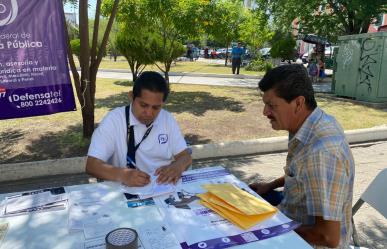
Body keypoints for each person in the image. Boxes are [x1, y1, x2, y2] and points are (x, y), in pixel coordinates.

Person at [249, 64, 354, 248]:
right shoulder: (311, 123)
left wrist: (270, 229)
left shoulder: (322, 153)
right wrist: (270, 185)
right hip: (290, 211)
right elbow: (302, 172)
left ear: (298, 103)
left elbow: (328, 237)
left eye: (272, 105)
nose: (265, 112)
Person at [86, 71, 192, 187]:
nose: (149, 113)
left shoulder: (167, 119)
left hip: (161, 187)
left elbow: (185, 156)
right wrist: (124, 175)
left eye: (156, 107)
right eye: (143, 105)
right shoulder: (114, 120)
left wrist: (178, 166)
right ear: (131, 96)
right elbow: (92, 165)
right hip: (125, 190)